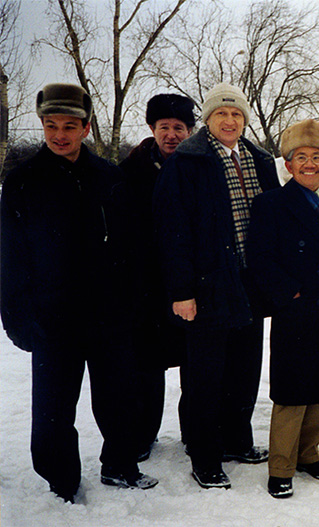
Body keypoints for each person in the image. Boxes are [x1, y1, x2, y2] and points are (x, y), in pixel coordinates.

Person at [0, 83, 158, 502]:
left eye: (70, 126)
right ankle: (61, 480)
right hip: (52, 318)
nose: (59, 135)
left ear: (86, 128)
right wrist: (18, 318)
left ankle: (120, 466)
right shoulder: (21, 183)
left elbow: (131, 248)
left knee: (119, 399)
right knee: (52, 412)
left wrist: (132, 303)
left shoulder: (109, 177)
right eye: (51, 126)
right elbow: (11, 259)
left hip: (109, 316)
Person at [153, 82, 280, 489]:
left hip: (249, 284)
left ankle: (237, 441)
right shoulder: (187, 161)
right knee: (206, 377)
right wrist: (181, 291)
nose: (230, 121)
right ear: (207, 119)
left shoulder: (259, 158)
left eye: (237, 114)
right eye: (221, 114)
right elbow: (173, 233)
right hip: (207, 286)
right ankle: (205, 455)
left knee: (244, 369)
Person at [247, 119, 319, 499]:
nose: (309, 164)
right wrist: (289, 293)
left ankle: (309, 454)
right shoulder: (270, 204)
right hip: (295, 310)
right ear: (288, 164)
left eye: (317, 157)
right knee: (293, 390)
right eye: (301, 157)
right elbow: (259, 258)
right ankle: (281, 465)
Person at [118, 93, 195, 461]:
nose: (171, 135)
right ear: (152, 129)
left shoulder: (199, 167)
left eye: (178, 127)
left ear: (190, 130)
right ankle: (143, 434)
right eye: (163, 127)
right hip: (144, 286)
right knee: (146, 365)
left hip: (190, 284)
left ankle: (194, 433)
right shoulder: (131, 170)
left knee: (194, 364)